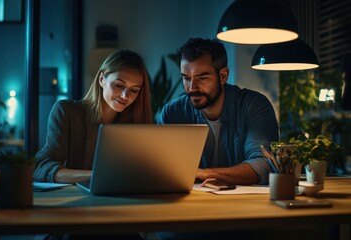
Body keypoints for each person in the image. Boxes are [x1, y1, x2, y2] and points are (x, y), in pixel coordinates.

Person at [158, 38, 279, 185]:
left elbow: (264, 165)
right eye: (186, 78)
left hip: (244, 203)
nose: (192, 88)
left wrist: (202, 173)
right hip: (191, 202)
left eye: (202, 78)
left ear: (223, 76)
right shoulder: (172, 113)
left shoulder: (254, 106)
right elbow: (160, 167)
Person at [34, 49, 153, 184]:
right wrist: (95, 176)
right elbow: (40, 166)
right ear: (102, 79)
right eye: (119, 85)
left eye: (134, 90)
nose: (125, 96)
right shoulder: (66, 111)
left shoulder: (135, 123)